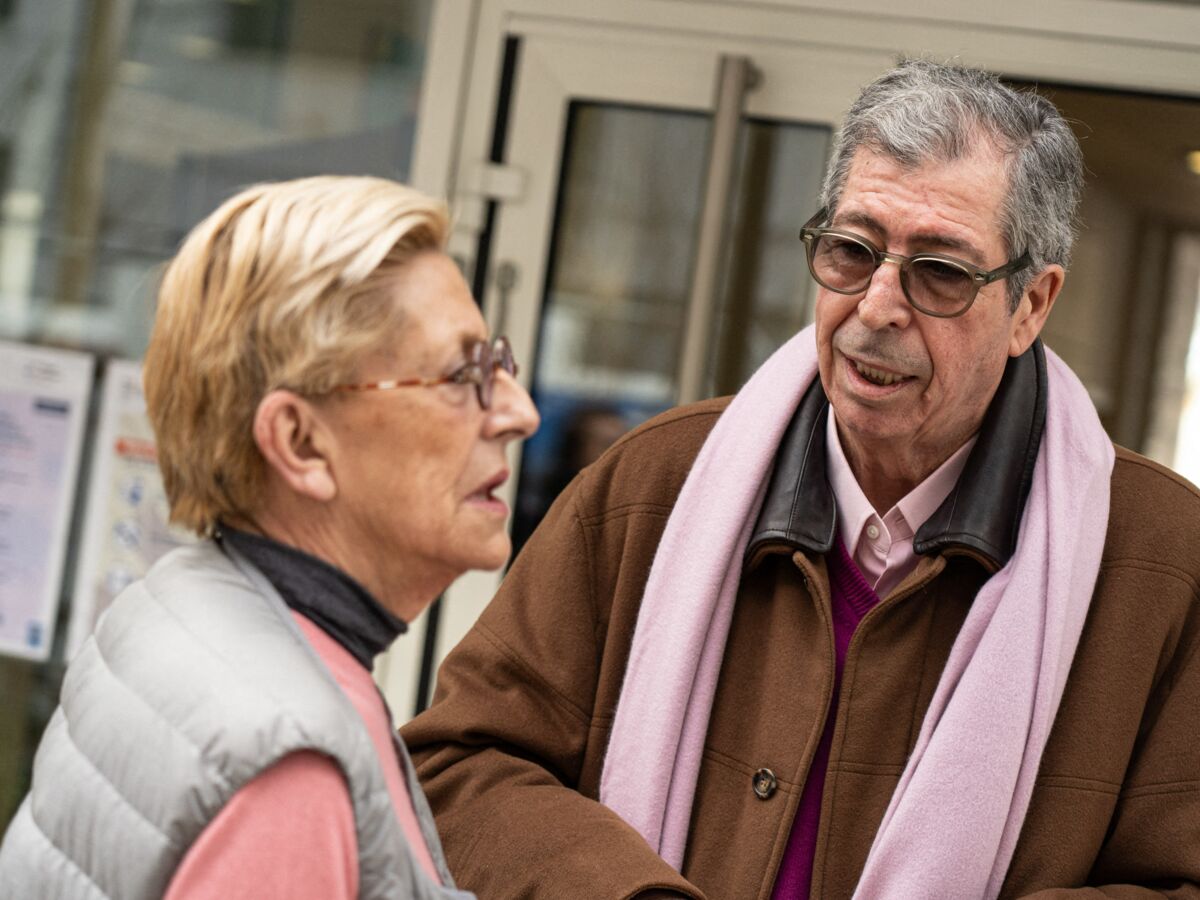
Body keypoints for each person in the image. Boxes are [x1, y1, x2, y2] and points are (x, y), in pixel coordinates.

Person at [401, 60, 1200, 899]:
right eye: (853, 251)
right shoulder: (656, 483)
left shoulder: (1163, 559)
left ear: (1031, 306)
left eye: (940, 272)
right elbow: (454, 765)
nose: (877, 306)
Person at [0, 176, 539, 899]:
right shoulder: (289, 766)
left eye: (497, 363)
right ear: (300, 443)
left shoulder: (184, 600)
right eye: (460, 373)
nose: (518, 411)